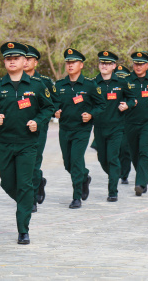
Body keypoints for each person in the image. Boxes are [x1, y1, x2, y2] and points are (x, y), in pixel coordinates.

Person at [0, 42, 54, 244]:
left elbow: (48, 108)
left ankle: (23, 229)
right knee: (7, 183)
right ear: (4, 62)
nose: (12, 61)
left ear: (23, 61)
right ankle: (26, 201)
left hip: (28, 143)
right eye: (8, 58)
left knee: (25, 185)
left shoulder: (36, 85)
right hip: (5, 143)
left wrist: (37, 121)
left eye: (16, 58)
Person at [54, 48, 105, 208]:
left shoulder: (90, 85)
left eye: (73, 62)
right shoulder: (60, 85)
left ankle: (76, 197)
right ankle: (84, 177)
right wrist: (55, 111)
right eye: (68, 62)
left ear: (81, 65)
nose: (70, 65)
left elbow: (101, 104)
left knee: (76, 161)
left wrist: (91, 114)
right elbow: (53, 104)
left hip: (81, 130)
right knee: (68, 164)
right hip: (65, 129)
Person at [121, 51, 148, 196]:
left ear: (147, 64)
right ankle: (143, 176)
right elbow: (121, 98)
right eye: (135, 63)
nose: (138, 67)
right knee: (134, 153)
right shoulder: (126, 80)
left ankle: (140, 183)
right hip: (130, 122)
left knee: (145, 151)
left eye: (141, 64)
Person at [24, 44, 57, 210]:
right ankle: (38, 183)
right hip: (18, 129)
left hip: (39, 129)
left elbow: (54, 102)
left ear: (35, 62)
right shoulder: (14, 80)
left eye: (29, 59)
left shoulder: (44, 82)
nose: (25, 62)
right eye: (23, 58)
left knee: (34, 162)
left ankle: (31, 198)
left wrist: (56, 112)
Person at [92, 51, 126, 201]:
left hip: (116, 127)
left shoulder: (121, 83)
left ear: (114, 66)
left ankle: (113, 192)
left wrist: (128, 104)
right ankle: (115, 173)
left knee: (112, 158)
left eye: (107, 63)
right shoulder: (93, 83)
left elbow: (132, 99)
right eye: (101, 63)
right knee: (102, 159)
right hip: (99, 127)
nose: (104, 66)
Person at [115, 64, 133, 184]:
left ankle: (124, 174)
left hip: (128, 122)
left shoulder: (129, 89)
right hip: (114, 123)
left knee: (125, 149)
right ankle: (115, 170)